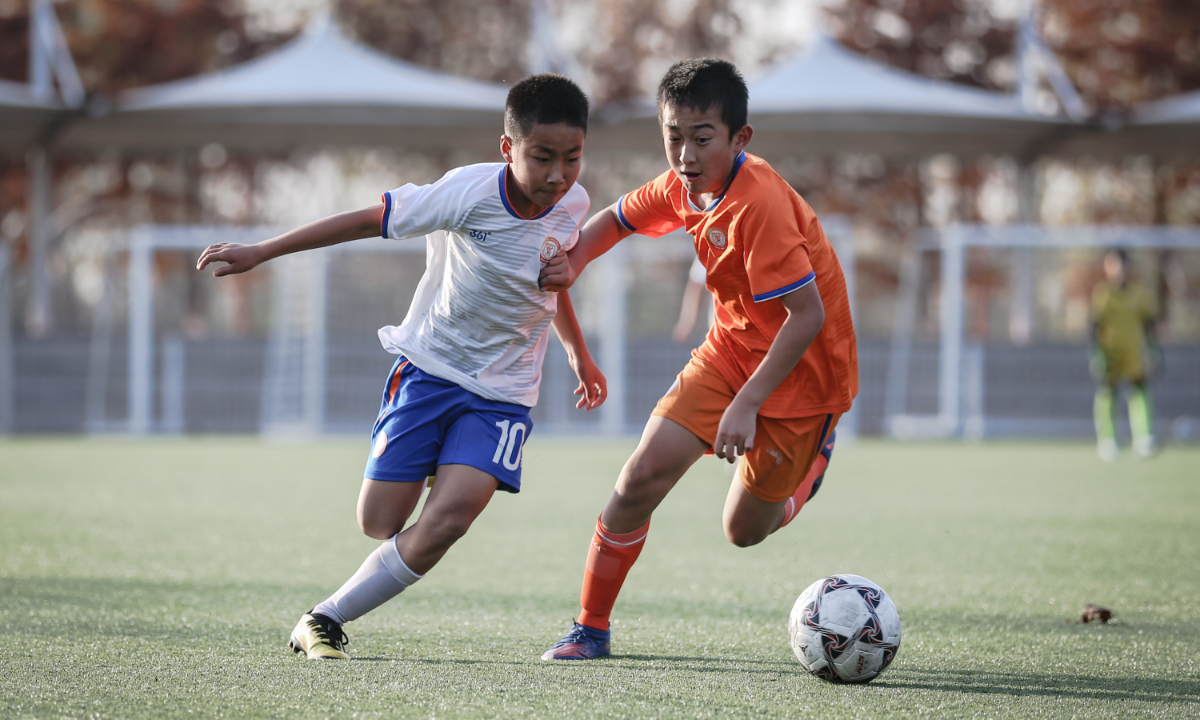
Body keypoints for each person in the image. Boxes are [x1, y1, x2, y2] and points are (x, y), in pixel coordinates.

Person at [196, 74, 606, 660]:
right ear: (507, 147)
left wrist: (578, 353)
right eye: (543, 157)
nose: (558, 175)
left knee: (450, 519)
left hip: (504, 392)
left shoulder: (575, 204)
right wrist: (264, 250)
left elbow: (549, 279)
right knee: (379, 520)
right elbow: (367, 219)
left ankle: (325, 618)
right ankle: (443, 459)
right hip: (431, 369)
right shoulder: (464, 193)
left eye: (572, 158)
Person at [536, 59, 857, 660]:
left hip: (806, 376)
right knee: (638, 479)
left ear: (740, 139)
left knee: (743, 532)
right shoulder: (684, 186)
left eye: (701, 138)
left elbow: (806, 316)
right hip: (730, 353)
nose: (684, 152)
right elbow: (617, 220)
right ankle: (590, 628)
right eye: (673, 135)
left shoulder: (758, 203)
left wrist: (746, 405)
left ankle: (814, 461)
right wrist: (576, 261)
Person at [1090, 248, 1159, 461]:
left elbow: (1149, 324)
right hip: (1110, 352)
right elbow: (1094, 325)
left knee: (1139, 392)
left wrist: (1153, 349)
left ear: (1128, 267)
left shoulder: (1139, 294)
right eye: (1112, 264)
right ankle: (1108, 440)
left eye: (1121, 264)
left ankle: (1143, 438)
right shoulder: (1102, 294)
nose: (1118, 270)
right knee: (1107, 394)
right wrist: (1096, 353)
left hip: (1133, 352)